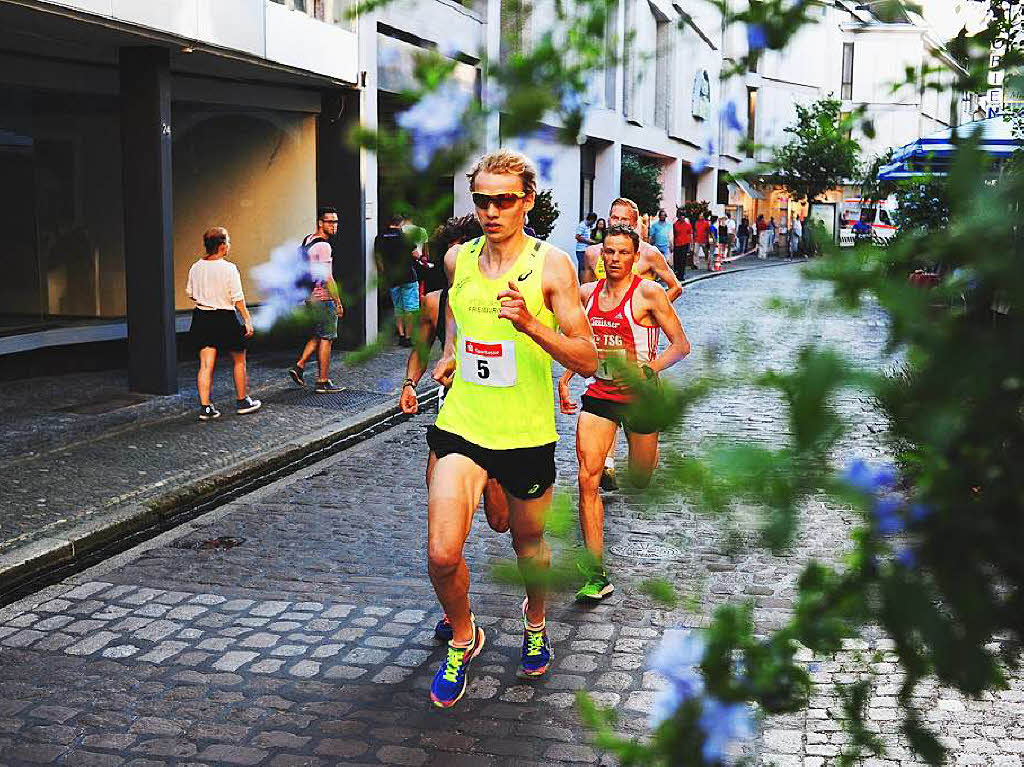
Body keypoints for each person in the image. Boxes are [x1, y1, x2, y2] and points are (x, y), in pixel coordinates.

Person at [425, 149, 598, 708]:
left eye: (504, 200)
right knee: (442, 552)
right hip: (463, 423)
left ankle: (536, 620)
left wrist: (528, 323)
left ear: (527, 202)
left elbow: (588, 358)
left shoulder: (552, 266)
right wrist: (450, 357)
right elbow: (459, 324)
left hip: (524, 433)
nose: (492, 210)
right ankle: (463, 635)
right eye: (482, 200)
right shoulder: (458, 260)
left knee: (527, 541)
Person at [558, 224, 690, 600]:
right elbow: (585, 347)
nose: (614, 258)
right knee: (587, 478)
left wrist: (652, 367)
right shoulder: (588, 294)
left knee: (642, 478)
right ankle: (596, 573)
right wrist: (568, 377)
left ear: (635, 257)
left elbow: (681, 345)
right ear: (601, 255)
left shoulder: (648, 293)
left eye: (622, 252)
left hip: (641, 397)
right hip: (600, 394)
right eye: (609, 251)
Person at [399, 214, 510, 643]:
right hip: (454, 423)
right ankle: (457, 616)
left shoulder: (507, 295)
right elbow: (419, 350)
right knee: (447, 534)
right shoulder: (436, 304)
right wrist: (411, 383)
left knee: (501, 521)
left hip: (504, 427)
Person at [582, 198, 682, 491]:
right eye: (614, 217)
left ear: (636, 222)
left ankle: (645, 446)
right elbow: (583, 298)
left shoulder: (649, 255)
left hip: (640, 345)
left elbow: (675, 286)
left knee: (641, 472)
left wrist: (650, 315)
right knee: (604, 407)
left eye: (625, 220)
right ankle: (608, 465)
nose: (618, 223)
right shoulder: (592, 255)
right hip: (605, 348)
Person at [187, 228, 262, 421]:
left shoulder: (196, 267)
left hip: (202, 317)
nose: (229, 245)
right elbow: (237, 298)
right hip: (225, 317)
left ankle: (206, 408)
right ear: (221, 246)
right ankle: (242, 401)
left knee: (205, 364)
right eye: (228, 242)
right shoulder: (228, 268)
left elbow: (191, 293)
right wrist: (247, 319)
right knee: (239, 359)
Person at [288, 206, 344, 392]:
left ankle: (300, 366)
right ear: (321, 223)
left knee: (318, 334)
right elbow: (328, 278)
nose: (334, 225)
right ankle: (323, 381)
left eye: (336, 221)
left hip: (310, 298)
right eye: (330, 222)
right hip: (323, 297)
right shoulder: (324, 246)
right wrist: (337, 301)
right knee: (327, 338)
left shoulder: (308, 240)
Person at [374, 214, 422, 348]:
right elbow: (415, 254)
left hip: (392, 278)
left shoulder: (380, 237)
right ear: (400, 224)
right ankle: (408, 337)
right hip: (408, 276)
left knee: (398, 308)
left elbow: (378, 259)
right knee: (410, 308)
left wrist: (384, 274)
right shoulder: (405, 237)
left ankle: (401, 335)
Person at [576, 212, 598, 280]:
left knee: (586, 267)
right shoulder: (582, 225)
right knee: (582, 267)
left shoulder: (588, 226)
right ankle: (580, 283)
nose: (593, 223)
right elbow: (577, 237)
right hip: (580, 250)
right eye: (593, 221)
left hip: (586, 249)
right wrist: (588, 241)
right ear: (591, 219)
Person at [672, 208, 692, 280]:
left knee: (683, 260)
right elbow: (673, 234)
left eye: (683, 216)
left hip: (685, 244)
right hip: (677, 244)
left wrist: (690, 246)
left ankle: (681, 274)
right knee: (677, 260)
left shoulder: (688, 225)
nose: (682, 217)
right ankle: (677, 273)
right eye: (681, 215)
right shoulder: (675, 225)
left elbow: (690, 235)